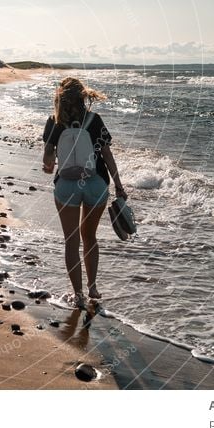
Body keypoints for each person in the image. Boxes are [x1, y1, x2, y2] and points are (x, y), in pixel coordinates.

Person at [42, 77, 126, 309]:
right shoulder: (95, 120)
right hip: (96, 184)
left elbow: (48, 161)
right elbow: (107, 156)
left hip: (67, 186)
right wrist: (118, 185)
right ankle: (93, 288)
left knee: (71, 241)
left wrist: (49, 165)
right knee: (90, 237)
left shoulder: (54, 122)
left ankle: (78, 295)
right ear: (82, 97)